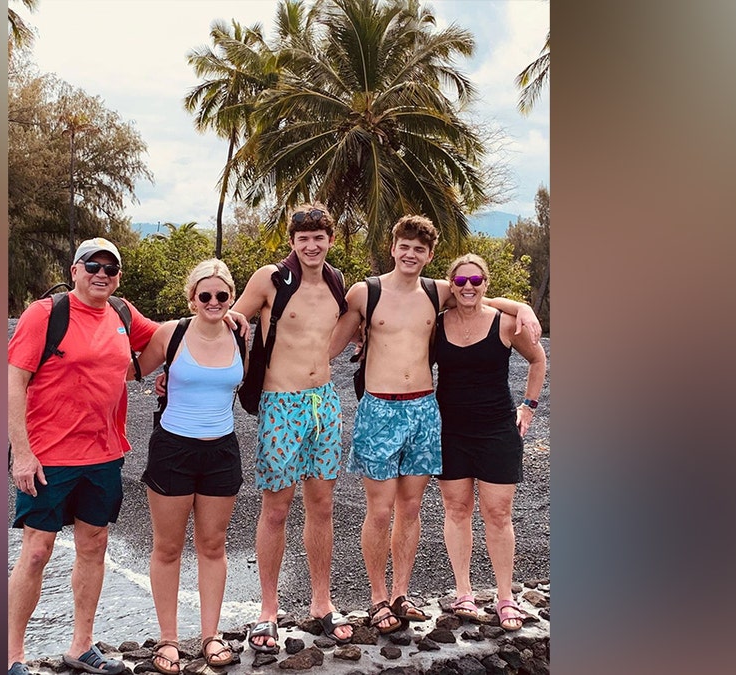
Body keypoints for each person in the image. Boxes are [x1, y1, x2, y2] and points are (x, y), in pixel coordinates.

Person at [6, 238, 247, 675]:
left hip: (104, 453)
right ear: (75, 269)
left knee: (94, 546)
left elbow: (173, 335)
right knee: (37, 551)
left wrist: (224, 311)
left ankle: (81, 647)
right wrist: (21, 453)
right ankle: (12, 655)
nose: (102, 274)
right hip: (48, 454)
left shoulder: (121, 313)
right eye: (92, 265)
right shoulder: (45, 314)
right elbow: (14, 381)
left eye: (111, 267)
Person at [326, 216, 540, 636]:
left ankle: (401, 595)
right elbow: (328, 346)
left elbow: (484, 299)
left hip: (424, 409)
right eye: (404, 246)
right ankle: (377, 599)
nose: (410, 254)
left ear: (429, 256)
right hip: (379, 409)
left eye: (419, 250)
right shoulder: (365, 292)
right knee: (380, 509)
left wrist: (526, 307)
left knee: (410, 508)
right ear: (393, 247)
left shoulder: (436, 291)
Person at [228, 203, 355, 652]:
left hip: (324, 402)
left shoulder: (338, 283)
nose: (311, 245)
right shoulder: (271, 279)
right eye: (303, 238)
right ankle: (268, 609)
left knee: (321, 507)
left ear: (330, 240)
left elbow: (355, 329)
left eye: (319, 237)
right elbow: (231, 321)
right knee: (276, 510)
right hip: (280, 405)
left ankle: (322, 603)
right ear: (292, 242)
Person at [132, 260, 245, 673]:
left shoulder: (240, 334)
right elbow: (130, 369)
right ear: (191, 298)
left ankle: (211, 635)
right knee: (168, 547)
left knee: (213, 546)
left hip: (222, 453)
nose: (214, 302)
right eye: (205, 295)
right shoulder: (172, 333)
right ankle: (168, 639)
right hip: (172, 450)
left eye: (222, 295)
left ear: (231, 298)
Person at [434, 253, 547, 632]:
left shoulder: (506, 323)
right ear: (452, 284)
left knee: (498, 514)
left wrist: (529, 407)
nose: (469, 287)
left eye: (476, 281)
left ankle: (504, 596)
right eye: (461, 281)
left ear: (486, 282)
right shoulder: (436, 325)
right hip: (450, 430)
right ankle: (464, 591)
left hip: (498, 431)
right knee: (456, 509)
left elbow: (538, 359)